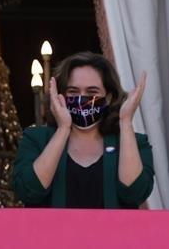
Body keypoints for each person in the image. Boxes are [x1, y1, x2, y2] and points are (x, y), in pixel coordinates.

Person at [12, 51, 154, 208]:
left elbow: (134, 193)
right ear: (60, 96)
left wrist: (126, 121)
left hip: (113, 233)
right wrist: (63, 129)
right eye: (73, 92)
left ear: (108, 97)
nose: (82, 99)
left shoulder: (134, 143)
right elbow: (29, 191)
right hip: (52, 233)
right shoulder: (35, 139)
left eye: (92, 92)